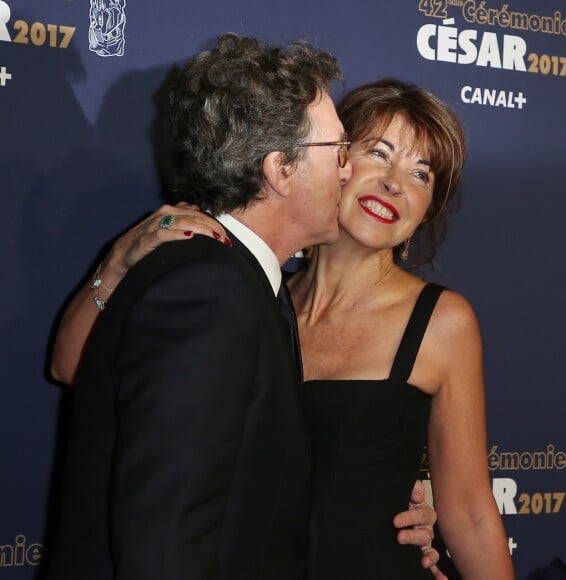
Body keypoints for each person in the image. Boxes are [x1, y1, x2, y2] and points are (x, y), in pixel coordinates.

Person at [45, 36, 440, 580]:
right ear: (280, 169)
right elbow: (165, 543)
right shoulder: (211, 291)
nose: (350, 173)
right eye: (341, 152)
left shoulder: (249, 284)